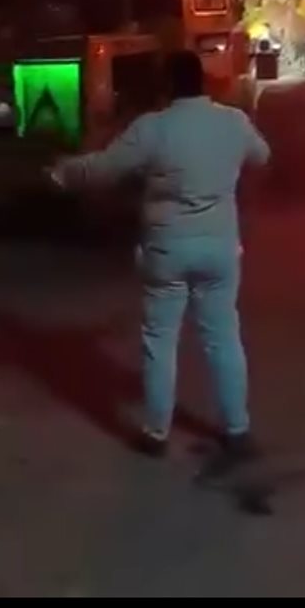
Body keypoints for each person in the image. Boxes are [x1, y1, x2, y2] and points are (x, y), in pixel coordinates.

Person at [52, 49, 270, 461]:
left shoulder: (153, 128)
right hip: (219, 248)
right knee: (223, 337)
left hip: (168, 249)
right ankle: (237, 429)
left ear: (167, 85)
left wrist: (64, 172)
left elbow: (105, 167)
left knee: (161, 339)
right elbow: (262, 156)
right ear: (202, 82)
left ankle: (157, 433)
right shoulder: (233, 122)